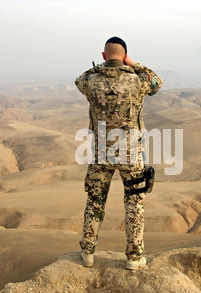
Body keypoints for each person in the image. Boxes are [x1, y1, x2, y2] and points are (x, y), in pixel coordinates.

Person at [75, 36, 163, 270]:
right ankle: (134, 258)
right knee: (134, 202)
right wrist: (134, 64)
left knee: (95, 201)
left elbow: (79, 79)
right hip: (130, 153)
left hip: (100, 153)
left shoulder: (91, 81)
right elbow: (156, 81)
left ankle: (88, 252)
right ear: (124, 56)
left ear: (104, 56)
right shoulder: (136, 81)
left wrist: (100, 67)